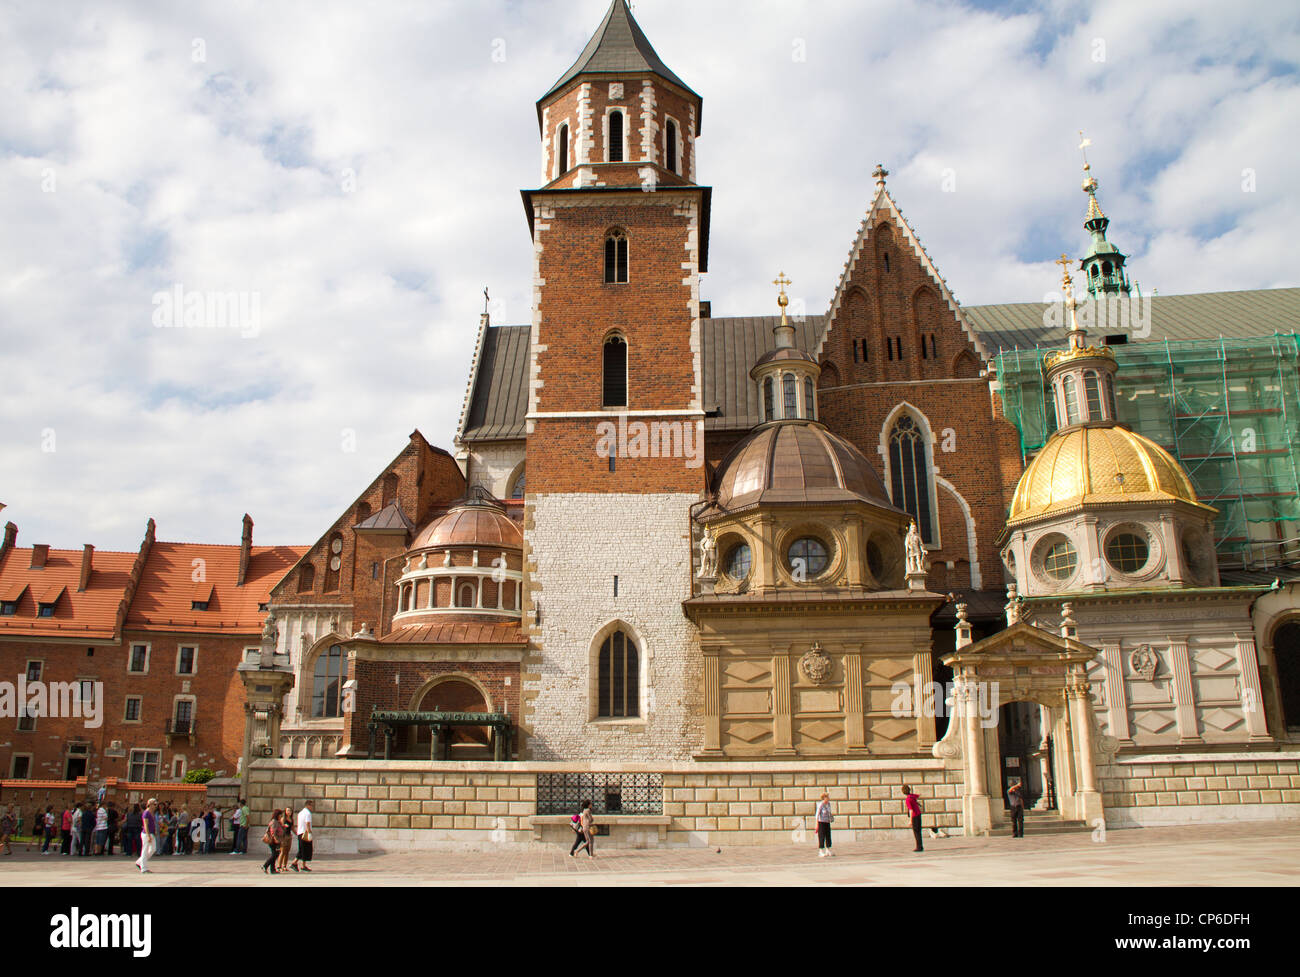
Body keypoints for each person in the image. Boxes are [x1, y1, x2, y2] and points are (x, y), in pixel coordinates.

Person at [136, 798, 158, 874]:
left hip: (151, 833)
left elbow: (153, 824)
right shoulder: (146, 813)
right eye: (154, 804)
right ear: (150, 804)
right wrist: (148, 835)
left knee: (153, 849)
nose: (155, 806)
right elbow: (145, 825)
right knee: (145, 850)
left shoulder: (153, 813)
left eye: (156, 804)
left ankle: (140, 861)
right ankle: (144, 868)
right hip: (146, 834)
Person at [291, 800, 313, 872]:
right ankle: (294, 863)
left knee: (303, 849)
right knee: (304, 849)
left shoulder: (300, 813)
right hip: (305, 833)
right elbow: (307, 823)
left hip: (300, 832)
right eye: (311, 806)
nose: (312, 807)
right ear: (308, 805)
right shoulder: (308, 813)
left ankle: (303, 865)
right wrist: (309, 832)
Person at [902, 785, 924, 852]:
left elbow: (911, 810)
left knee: (916, 832)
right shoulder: (912, 796)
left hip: (915, 816)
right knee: (919, 831)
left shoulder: (908, 799)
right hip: (919, 814)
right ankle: (920, 846)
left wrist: (910, 821)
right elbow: (919, 795)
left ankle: (919, 847)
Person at [815, 791, 834, 857]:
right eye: (827, 797)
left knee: (828, 836)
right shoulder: (820, 804)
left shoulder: (828, 804)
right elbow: (817, 815)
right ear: (824, 798)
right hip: (821, 822)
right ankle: (821, 851)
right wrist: (817, 825)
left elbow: (829, 812)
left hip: (827, 822)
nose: (829, 798)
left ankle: (828, 850)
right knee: (822, 836)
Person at [277, 806, 294, 872]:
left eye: (290, 810)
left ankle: (284, 866)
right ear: (285, 812)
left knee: (287, 852)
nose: (289, 812)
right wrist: (284, 826)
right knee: (282, 851)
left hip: (289, 836)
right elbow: (280, 827)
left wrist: (297, 833)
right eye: (288, 810)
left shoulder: (291, 819)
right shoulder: (283, 819)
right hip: (284, 836)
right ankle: (279, 866)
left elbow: (292, 828)